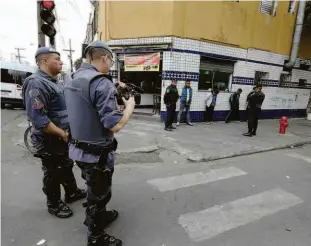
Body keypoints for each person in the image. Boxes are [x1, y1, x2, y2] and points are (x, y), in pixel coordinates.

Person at [64, 41, 135, 246]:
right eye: (111, 61)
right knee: (100, 193)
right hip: (97, 154)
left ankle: (99, 217)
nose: (110, 65)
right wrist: (129, 106)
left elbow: (87, 99)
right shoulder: (100, 83)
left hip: (78, 149)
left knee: (92, 186)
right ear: (104, 58)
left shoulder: (73, 77)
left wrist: (112, 85)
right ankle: (95, 237)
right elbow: (115, 125)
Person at [22, 47, 86, 219]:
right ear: (44, 61)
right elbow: (39, 119)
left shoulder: (55, 81)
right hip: (49, 138)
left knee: (65, 164)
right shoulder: (35, 83)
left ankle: (72, 193)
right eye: (57, 59)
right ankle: (54, 204)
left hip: (61, 136)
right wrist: (62, 133)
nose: (61, 62)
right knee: (53, 171)